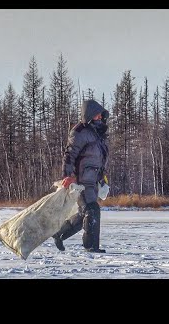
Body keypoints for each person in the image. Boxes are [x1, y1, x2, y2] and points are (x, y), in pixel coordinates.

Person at [52, 99, 109, 253]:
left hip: (92, 180)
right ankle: (91, 246)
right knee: (91, 210)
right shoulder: (79, 132)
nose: (99, 117)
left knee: (84, 212)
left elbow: (99, 160)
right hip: (80, 181)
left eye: (100, 114)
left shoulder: (97, 134)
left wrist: (103, 180)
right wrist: (68, 175)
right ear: (89, 114)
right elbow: (69, 155)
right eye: (96, 114)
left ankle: (59, 233)